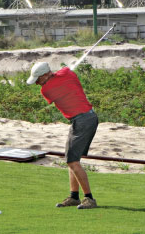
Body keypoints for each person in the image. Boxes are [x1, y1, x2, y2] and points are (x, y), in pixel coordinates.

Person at [27, 62, 98, 209]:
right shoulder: (67, 73)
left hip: (83, 121)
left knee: (72, 161)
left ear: (46, 74)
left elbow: (57, 80)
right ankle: (74, 197)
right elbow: (65, 71)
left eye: (38, 79)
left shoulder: (46, 90)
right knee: (71, 159)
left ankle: (89, 199)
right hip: (86, 119)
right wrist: (63, 72)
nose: (37, 84)